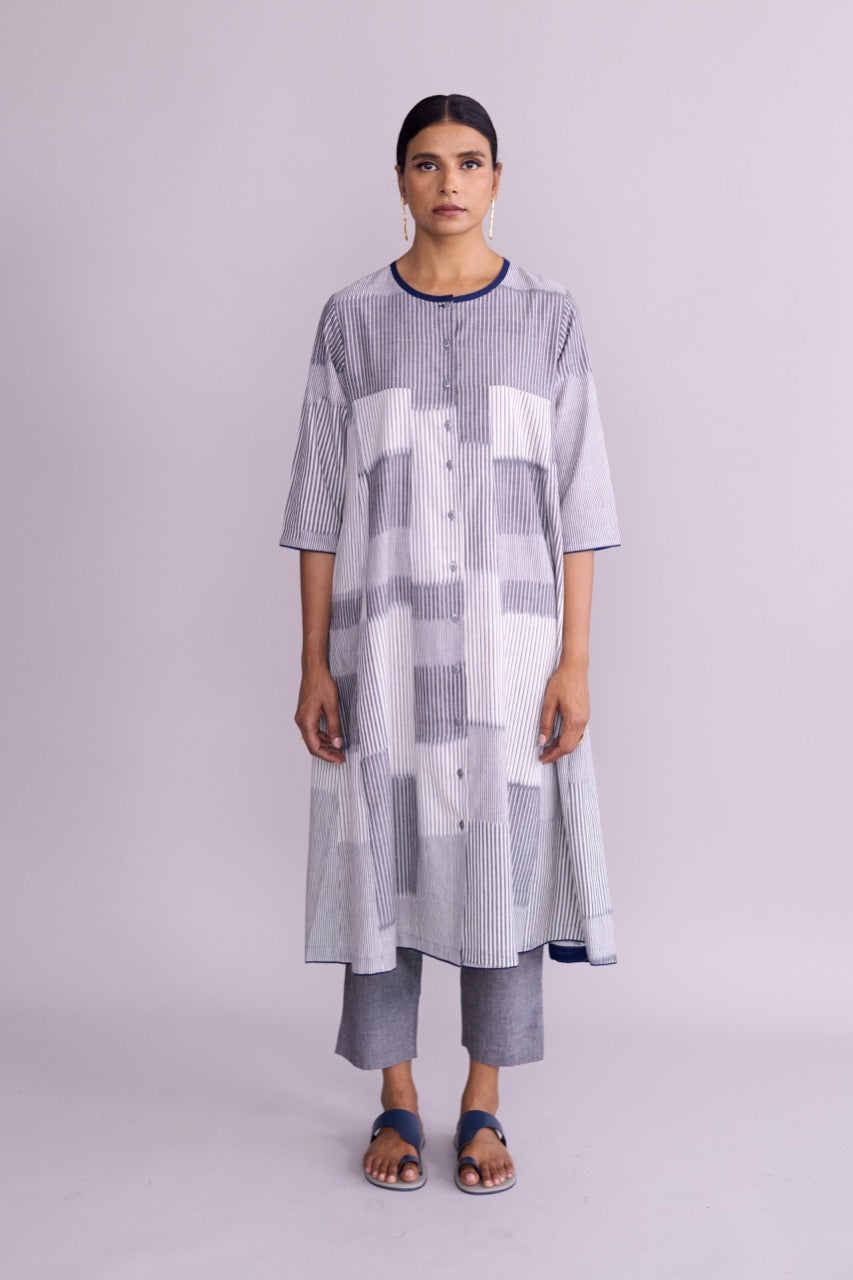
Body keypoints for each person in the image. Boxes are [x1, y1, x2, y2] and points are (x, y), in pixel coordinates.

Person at [278, 94, 621, 1194]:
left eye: (469, 163)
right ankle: (395, 1097)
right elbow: (318, 503)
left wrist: (574, 660)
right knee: (382, 858)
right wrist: (312, 660)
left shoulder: (550, 315)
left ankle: (482, 1103)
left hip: (510, 651)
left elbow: (580, 500)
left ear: (497, 178)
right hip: (380, 645)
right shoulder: (349, 319)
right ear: (400, 181)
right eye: (426, 164)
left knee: (499, 868)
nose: (449, 183)